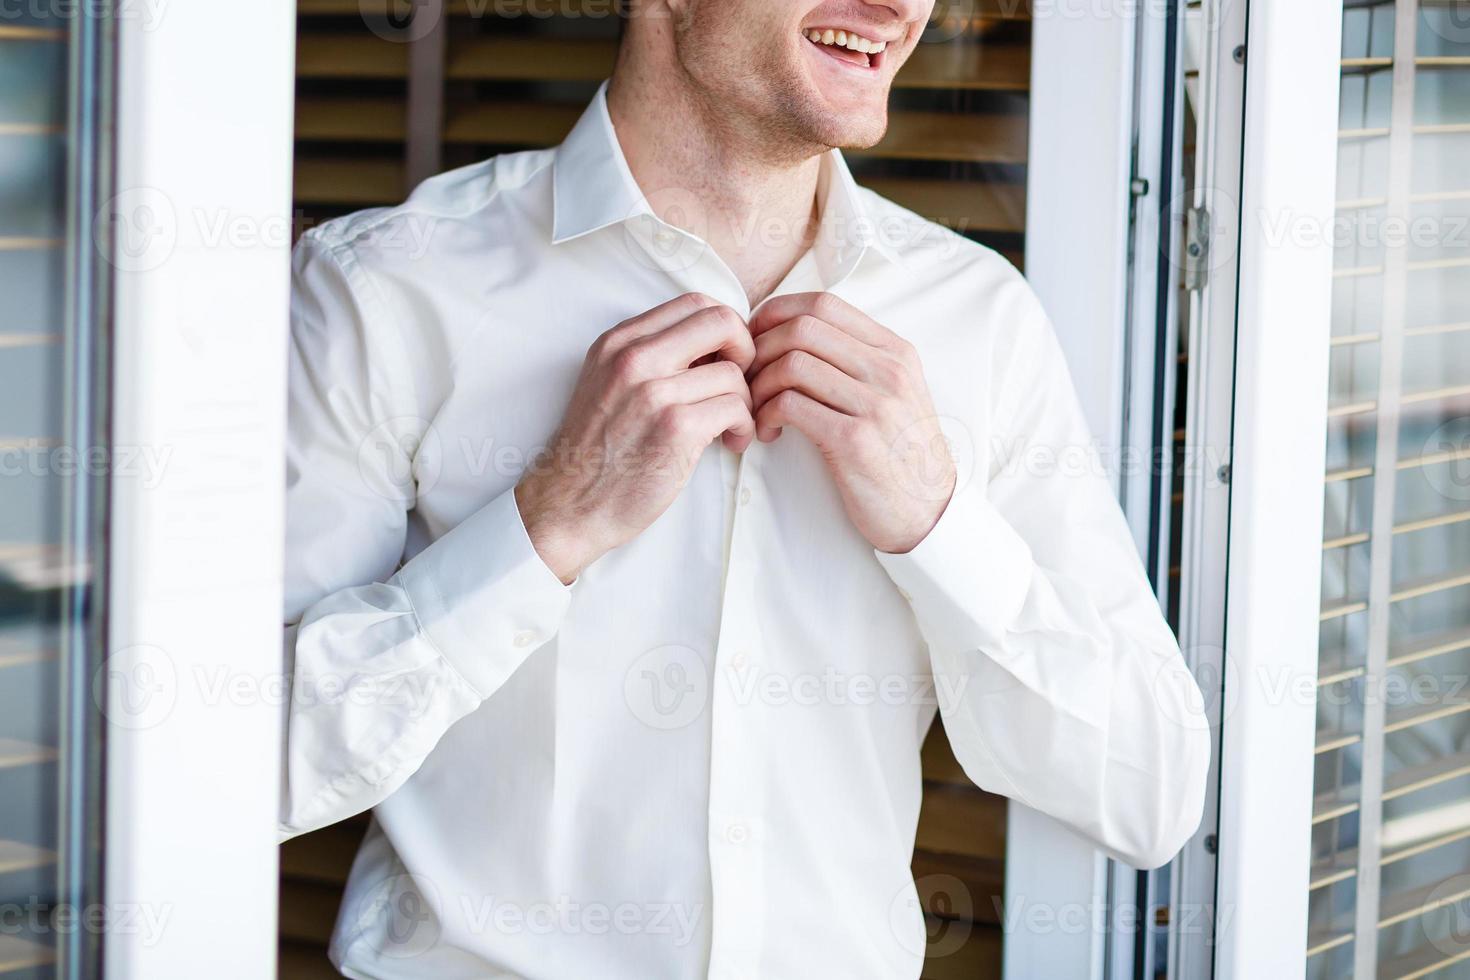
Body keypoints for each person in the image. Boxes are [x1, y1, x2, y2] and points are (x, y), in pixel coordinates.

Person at [281, 0, 1211, 976]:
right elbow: (224, 773)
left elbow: (1150, 791)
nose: (897, 8)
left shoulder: (979, 322)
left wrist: (941, 526)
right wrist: (545, 525)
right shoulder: (386, 290)